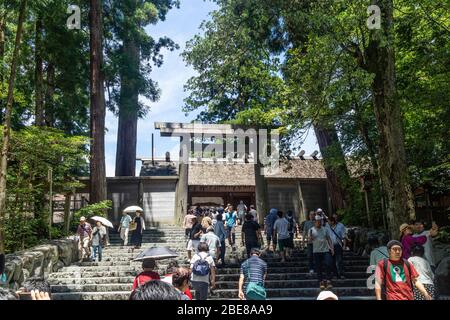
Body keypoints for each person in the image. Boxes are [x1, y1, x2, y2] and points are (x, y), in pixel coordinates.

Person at [309, 215, 334, 290]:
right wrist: (310, 238)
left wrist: (332, 248)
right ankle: (321, 282)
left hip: (325, 250)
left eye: (320, 221)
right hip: (316, 251)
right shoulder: (311, 230)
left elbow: (329, 239)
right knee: (318, 267)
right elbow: (309, 241)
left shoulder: (325, 229)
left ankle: (328, 280)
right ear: (315, 222)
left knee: (328, 264)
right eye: (318, 221)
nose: (319, 222)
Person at [302, 211, 316, 276]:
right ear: (309, 215)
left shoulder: (317, 222)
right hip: (309, 242)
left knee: (316, 256)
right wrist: (303, 240)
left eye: (313, 214)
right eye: (311, 214)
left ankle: (317, 267)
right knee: (310, 256)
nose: (312, 216)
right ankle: (311, 268)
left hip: (317, 242)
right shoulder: (306, 223)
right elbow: (304, 232)